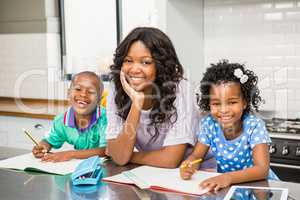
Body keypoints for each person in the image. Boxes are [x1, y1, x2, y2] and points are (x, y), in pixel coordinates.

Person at [106, 27, 199, 168]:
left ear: (161, 66)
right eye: (128, 61)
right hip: (152, 173)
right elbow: (119, 158)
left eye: (146, 62)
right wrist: (136, 104)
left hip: (196, 172)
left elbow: (170, 160)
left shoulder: (181, 89)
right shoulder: (117, 88)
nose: (135, 69)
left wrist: (128, 155)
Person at [180, 60, 278, 192]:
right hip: (229, 188)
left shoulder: (254, 126)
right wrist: (189, 165)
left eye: (232, 102)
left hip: (259, 188)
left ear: (244, 102)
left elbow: (262, 170)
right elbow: (197, 156)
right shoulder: (209, 124)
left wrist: (227, 178)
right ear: (208, 104)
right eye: (216, 103)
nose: (224, 110)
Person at [32, 71, 107, 162]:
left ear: (99, 99)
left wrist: (70, 154)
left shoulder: (106, 118)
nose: (83, 94)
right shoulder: (61, 121)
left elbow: (106, 150)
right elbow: (49, 140)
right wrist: (43, 147)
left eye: (90, 92)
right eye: (78, 89)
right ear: (68, 93)